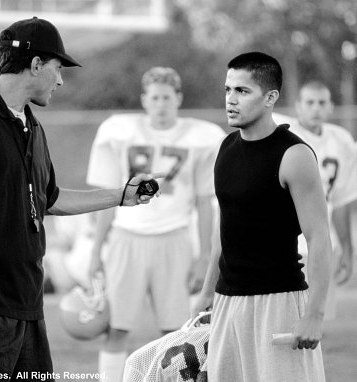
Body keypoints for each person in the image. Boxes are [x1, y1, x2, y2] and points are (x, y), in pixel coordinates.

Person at [0, 17, 159, 380]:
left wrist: (121, 196)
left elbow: (50, 199)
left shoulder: (33, 126)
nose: (60, 81)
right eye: (58, 69)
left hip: (26, 302)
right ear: (36, 64)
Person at [193, 52, 332, 382]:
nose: (230, 100)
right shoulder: (225, 148)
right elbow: (223, 230)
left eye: (242, 91)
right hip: (227, 302)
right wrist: (205, 293)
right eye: (228, 90)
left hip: (279, 303)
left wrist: (314, 314)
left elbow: (319, 237)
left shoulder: (294, 155)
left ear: (270, 98)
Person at [86, 67, 225, 381]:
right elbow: (110, 197)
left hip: (174, 237)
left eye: (167, 97)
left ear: (178, 98)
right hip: (126, 237)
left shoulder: (201, 137)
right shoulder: (119, 131)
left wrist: (204, 255)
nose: (161, 103)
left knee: (176, 330)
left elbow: (205, 202)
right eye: (155, 97)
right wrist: (96, 250)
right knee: (116, 326)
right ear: (144, 100)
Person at [273, 81, 357, 320]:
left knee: (316, 320)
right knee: (282, 319)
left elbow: (341, 200)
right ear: (298, 107)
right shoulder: (282, 134)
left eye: (322, 103)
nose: (316, 108)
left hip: (319, 241)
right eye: (309, 102)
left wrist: (347, 250)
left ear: (331, 107)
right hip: (283, 241)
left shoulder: (341, 140)